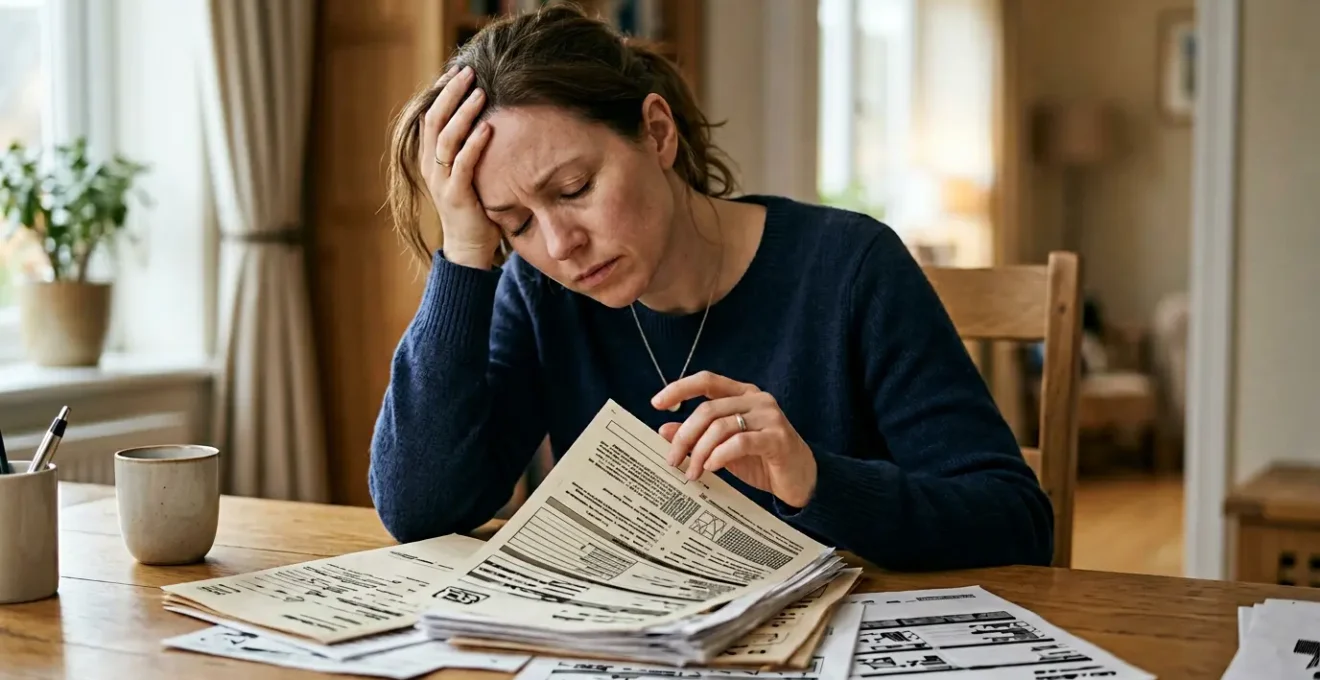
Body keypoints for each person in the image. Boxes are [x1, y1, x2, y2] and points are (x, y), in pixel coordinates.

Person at [370, 4, 1053, 571]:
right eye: (515, 223)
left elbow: (1016, 521)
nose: (558, 244)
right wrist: (465, 254)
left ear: (657, 132)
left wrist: (815, 479)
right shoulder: (539, 291)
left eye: (575, 188)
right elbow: (420, 510)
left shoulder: (850, 266)